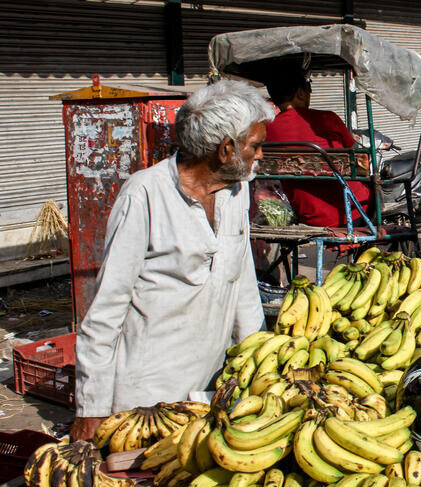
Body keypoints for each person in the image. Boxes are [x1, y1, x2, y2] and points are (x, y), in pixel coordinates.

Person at [70, 80, 272, 441]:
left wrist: (262, 364)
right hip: (147, 400)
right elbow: (106, 308)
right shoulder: (144, 194)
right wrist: (91, 406)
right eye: (255, 146)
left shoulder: (237, 192)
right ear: (226, 149)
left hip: (211, 391)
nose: (260, 156)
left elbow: (242, 286)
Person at [264, 71, 367, 227]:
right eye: (308, 89)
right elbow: (355, 155)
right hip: (351, 212)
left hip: (308, 216)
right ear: (300, 93)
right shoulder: (328, 119)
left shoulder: (266, 129)